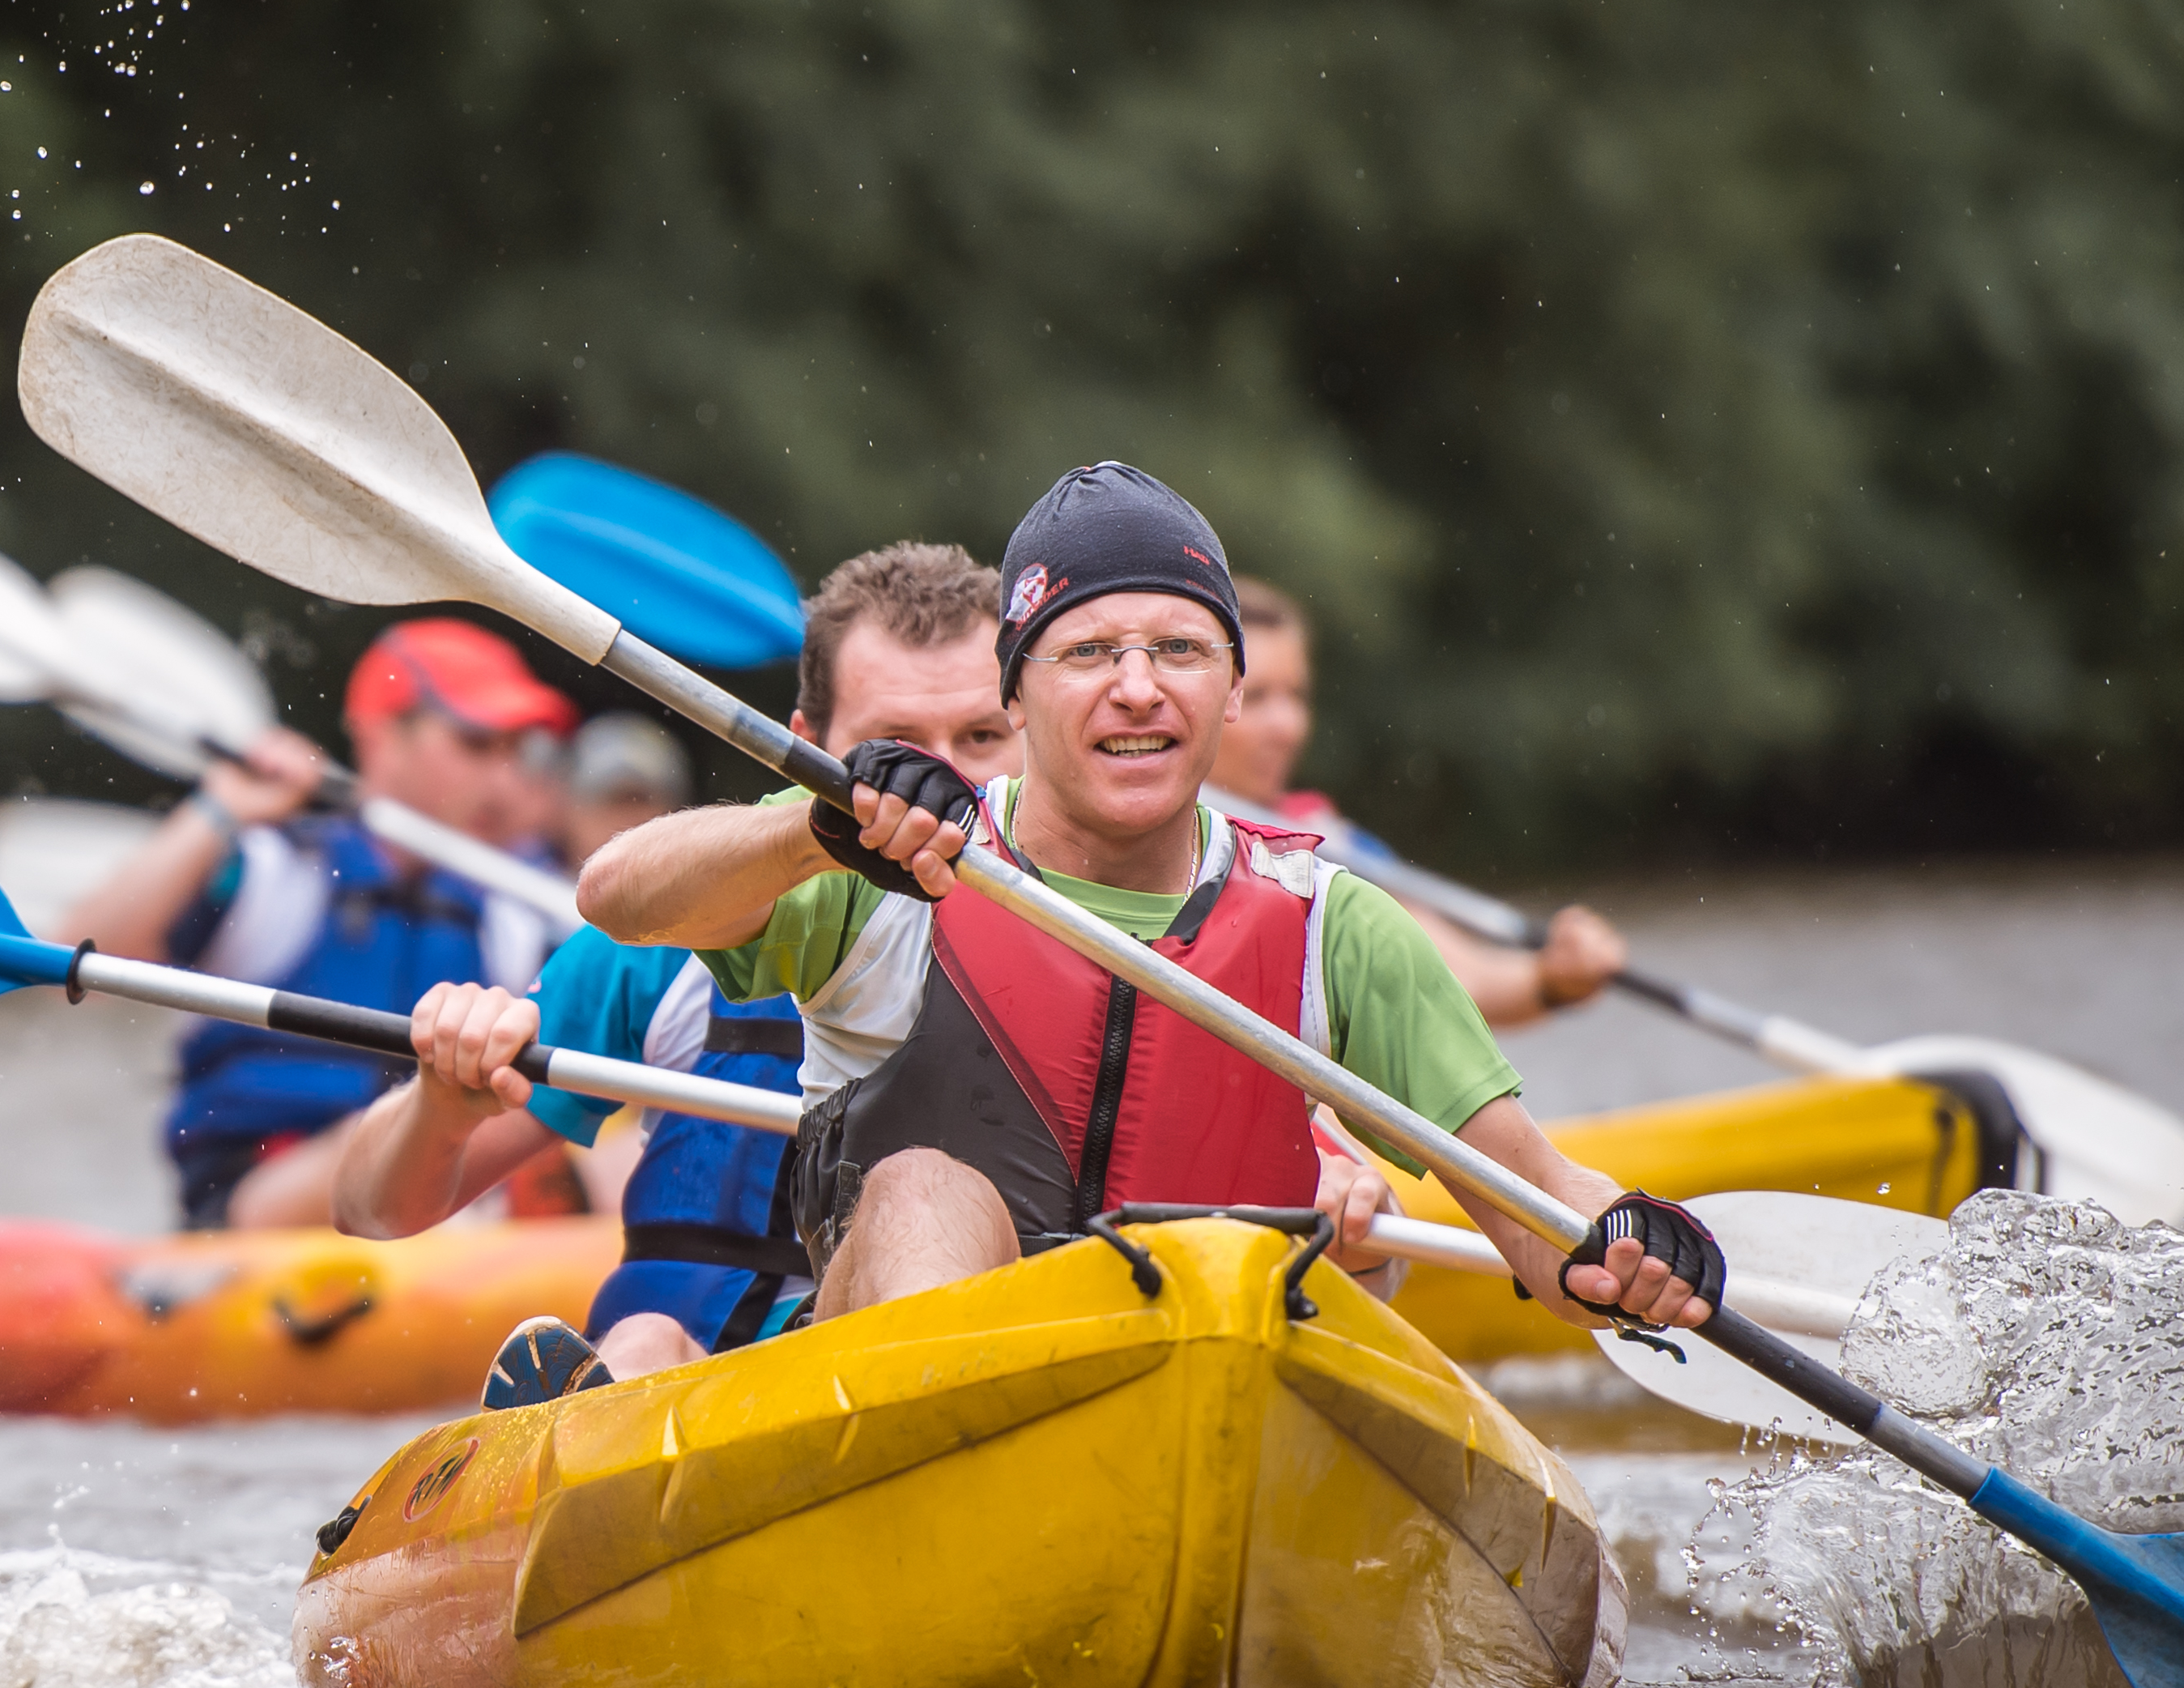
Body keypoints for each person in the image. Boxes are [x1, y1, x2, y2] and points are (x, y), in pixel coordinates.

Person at [522, 460, 1715, 1405]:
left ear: (1231, 691)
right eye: (1088, 653)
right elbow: (618, 894)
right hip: (899, 1406)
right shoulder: (883, 849)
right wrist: (811, 832)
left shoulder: (1332, 927)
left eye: (1180, 651)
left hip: (1207, 1396)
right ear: (1014, 694)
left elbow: (1543, 1209)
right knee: (927, 1189)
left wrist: (1624, 1252)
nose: (1137, 687)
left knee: (1317, 1281)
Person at [331, 543, 1019, 1397]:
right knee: (650, 1335)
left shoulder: (1096, 955)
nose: (938, 780)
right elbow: (370, 1209)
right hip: (669, 1410)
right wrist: (441, 1102)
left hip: (894, 1379)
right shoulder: (671, 935)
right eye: (894, 747)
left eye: (982, 737)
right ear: (803, 751)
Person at [57, 617, 577, 1230]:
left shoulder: (514, 909)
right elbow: (77, 958)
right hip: (262, 1198)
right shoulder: (274, 872)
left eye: (516, 751)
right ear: (383, 738)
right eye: (476, 744)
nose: (503, 779)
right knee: (383, 1138)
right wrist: (217, 810)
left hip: (436, 1200)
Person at [1215, 578, 1626, 1029]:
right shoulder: (1145, 838)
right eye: (1256, 698)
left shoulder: (1330, 840)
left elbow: (1460, 983)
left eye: (1297, 696)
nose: (1288, 726)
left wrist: (1553, 978)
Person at [559, 714, 688, 867]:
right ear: (569, 810)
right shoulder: (526, 875)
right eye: (612, 802)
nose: (625, 827)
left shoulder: (700, 886)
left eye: (639, 802)